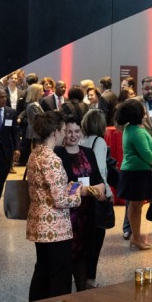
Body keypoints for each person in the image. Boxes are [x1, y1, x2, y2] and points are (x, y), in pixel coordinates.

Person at [26, 110, 104, 301]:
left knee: (42, 271)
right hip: (55, 227)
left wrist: (71, 186)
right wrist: (81, 192)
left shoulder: (35, 154)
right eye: (62, 130)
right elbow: (61, 200)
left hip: (39, 222)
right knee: (60, 274)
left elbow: (50, 190)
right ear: (54, 132)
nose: (65, 133)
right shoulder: (52, 159)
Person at [54, 114, 106, 291]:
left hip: (87, 214)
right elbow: (60, 187)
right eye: (69, 132)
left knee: (85, 254)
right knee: (67, 258)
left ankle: (82, 291)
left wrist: (99, 189)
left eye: (77, 131)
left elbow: (98, 179)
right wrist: (83, 190)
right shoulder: (57, 154)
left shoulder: (88, 152)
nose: (73, 135)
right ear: (62, 133)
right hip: (66, 216)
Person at [115, 98, 152, 250]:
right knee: (136, 207)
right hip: (136, 173)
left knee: (134, 206)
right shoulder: (137, 131)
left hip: (134, 172)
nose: (145, 112)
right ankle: (137, 238)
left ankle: (136, 237)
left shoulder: (130, 128)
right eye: (143, 110)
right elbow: (145, 152)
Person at [79, 109, 113, 288]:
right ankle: (90, 278)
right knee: (96, 239)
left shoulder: (82, 140)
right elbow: (100, 170)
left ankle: (82, 275)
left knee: (85, 239)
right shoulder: (99, 142)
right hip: (95, 195)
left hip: (83, 193)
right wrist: (107, 193)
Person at [19, 83, 45, 165]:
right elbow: (38, 117)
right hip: (34, 132)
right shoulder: (32, 105)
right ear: (36, 92)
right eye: (41, 91)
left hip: (36, 130)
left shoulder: (36, 104)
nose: (43, 92)